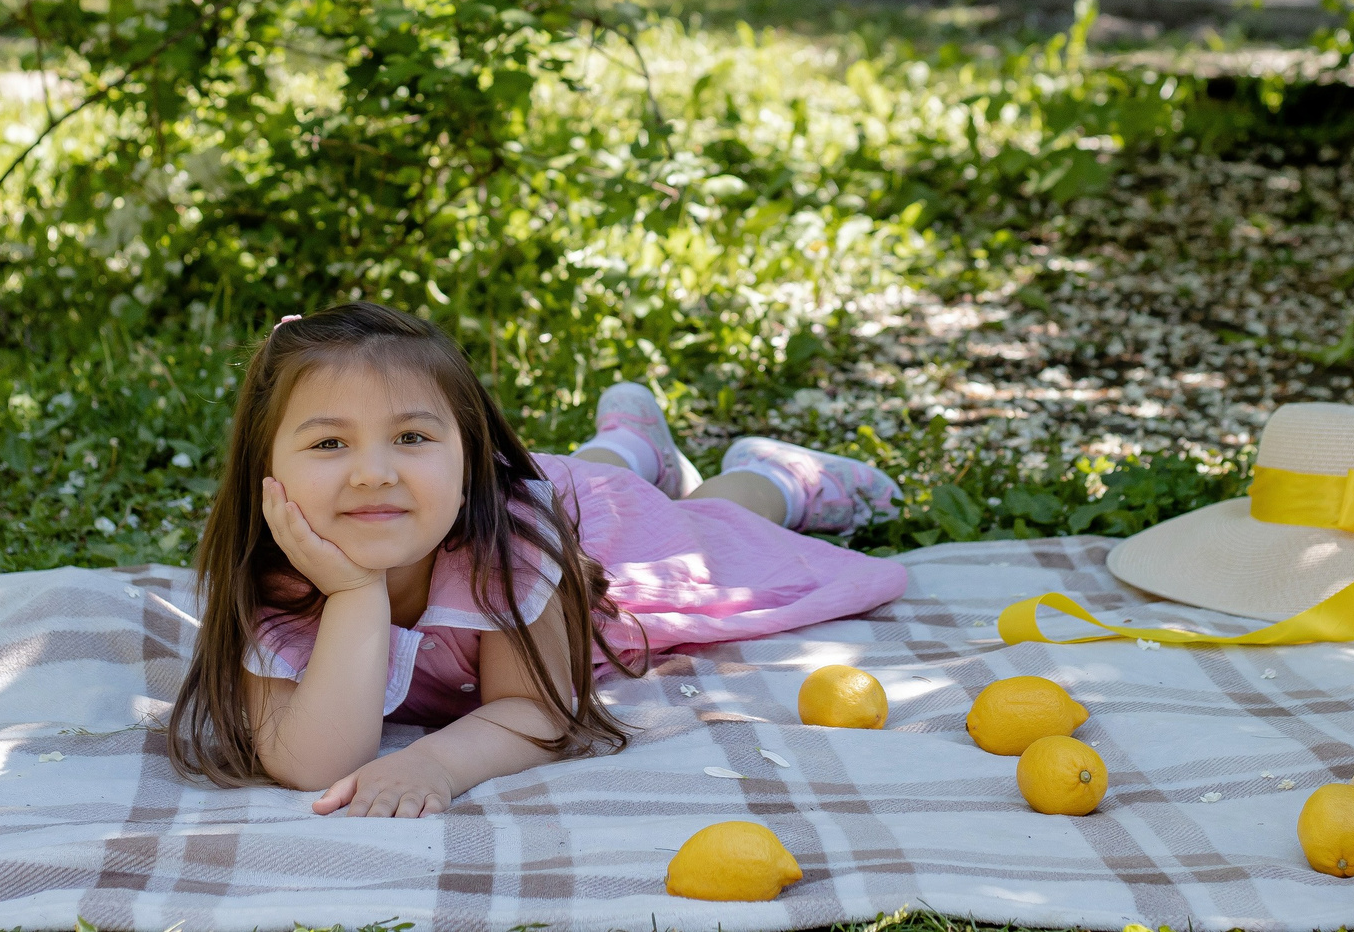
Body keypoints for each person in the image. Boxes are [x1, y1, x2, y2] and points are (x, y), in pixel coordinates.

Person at [168, 300, 908, 815]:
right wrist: (355, 592)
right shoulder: (274, 569)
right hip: (539, 499)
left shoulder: (509, 547)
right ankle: (629, 444)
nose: (373, 473)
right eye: (330, 443)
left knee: (713, 529)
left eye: (412, 437)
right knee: (601, 480)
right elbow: (313, 762)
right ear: (265, 469)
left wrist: (437, 762)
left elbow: (536, 709)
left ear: (469, 456)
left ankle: (777, 475)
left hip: (600, 537)